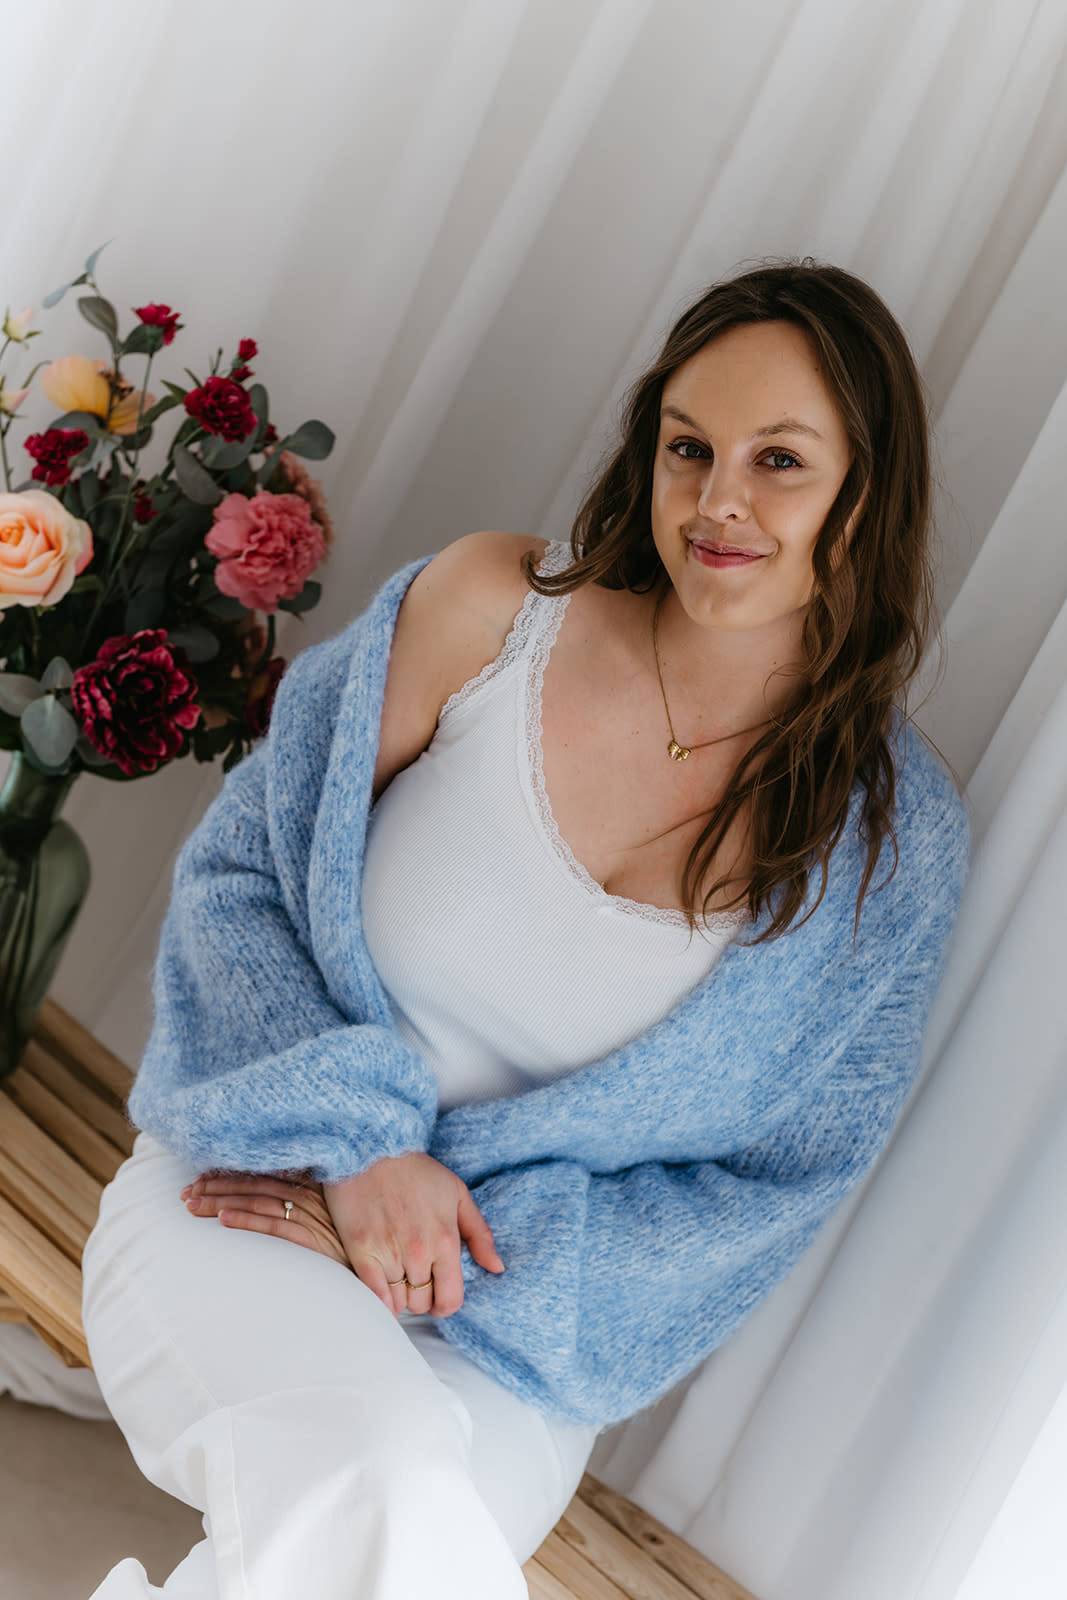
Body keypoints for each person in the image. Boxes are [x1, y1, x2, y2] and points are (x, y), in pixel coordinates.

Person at [81, 261, 968, 1599]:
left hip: (514, 1345)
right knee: (382, 1482)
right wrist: (362, 1153)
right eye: (689, 448)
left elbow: (772, 1187)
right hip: (248, 1195)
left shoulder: (889, 848)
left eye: (780, 461)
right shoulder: (495, 609)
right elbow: (243, 874)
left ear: (868, 492)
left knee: (375, 1544)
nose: (719, 501)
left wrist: (443, 1251)